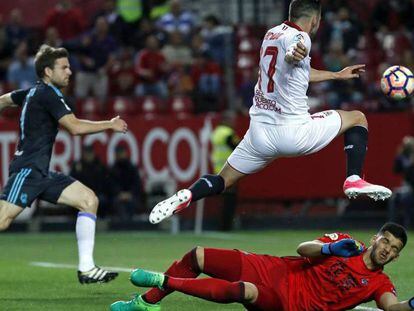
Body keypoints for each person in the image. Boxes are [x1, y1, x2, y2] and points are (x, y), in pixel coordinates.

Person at [149, 0, 392, 225]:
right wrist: (295, 52)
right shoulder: (301, 38)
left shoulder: (271, 34)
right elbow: (296, 51)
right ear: (315, 20)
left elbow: (295, 69)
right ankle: (353, 179)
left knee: (223, 180)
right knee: (357, 118)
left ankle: (188, 194)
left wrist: (335, 74)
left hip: (259, 135)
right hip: (294, 132)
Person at [0, 44, 128, 284]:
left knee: (88, 200)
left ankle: (87, 268)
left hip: (40, 173)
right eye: (64, 67)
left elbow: (5, 100)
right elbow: (75, 127)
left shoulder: (32, 92)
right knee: (3, 220)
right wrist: (109, 124)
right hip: (27, 170)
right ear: (48, 72)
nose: (70, 71)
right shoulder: (48, 94)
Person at [110, 222, 413, 311]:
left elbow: (391, 307)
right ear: (376, 238)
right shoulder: (346, 242)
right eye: (385, 241)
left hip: (289, 304)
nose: (387, 250)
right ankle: (146, 303)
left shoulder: (379, 283)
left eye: (394, 249)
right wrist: (329, 248)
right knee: (198, 255)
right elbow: (302, 249)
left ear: (396, 257)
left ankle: (164, 281)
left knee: (245, 291)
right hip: (276, 269)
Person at [210, 112, 241, 231]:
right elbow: (238, 147)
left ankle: (222, 224)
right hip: (229, 170)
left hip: (219, 169)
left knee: (224, 200)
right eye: (231, 120)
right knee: (230, 200)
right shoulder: (227, 133)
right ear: (226, 120)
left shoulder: (217, 132)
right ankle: (227, 226)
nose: (233, 122)